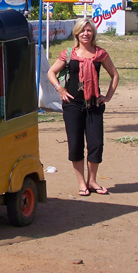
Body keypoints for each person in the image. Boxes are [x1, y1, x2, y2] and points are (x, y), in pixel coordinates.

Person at [48, 18, 119, 197]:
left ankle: (92, 181)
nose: (86, 33)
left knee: (96, 144)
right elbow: (51, 72)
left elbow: (114, 74)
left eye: (89, 30)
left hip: (94, 104)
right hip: (72, 105)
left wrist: (108, 96)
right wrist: (60, 89)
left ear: (93, 33)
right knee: (75, 145)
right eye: (82, 30)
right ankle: (82, 183)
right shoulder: (69, 54)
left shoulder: (100, 53)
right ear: (77, 34)